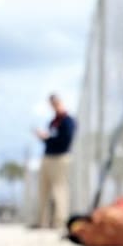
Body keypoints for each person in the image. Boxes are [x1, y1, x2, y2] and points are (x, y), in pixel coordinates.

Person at [33, 94, 76, 229]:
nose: (54, 106)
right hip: (47, 157)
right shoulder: (53, 122)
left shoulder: (68, 121)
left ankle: (60, 222)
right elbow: (50, 139)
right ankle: (42, 221)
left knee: (59, 189)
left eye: (56, 103)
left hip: (60, 158)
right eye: (52, 104)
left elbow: (65, 141)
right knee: (43, 189)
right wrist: (44, 138)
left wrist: (48, 138)